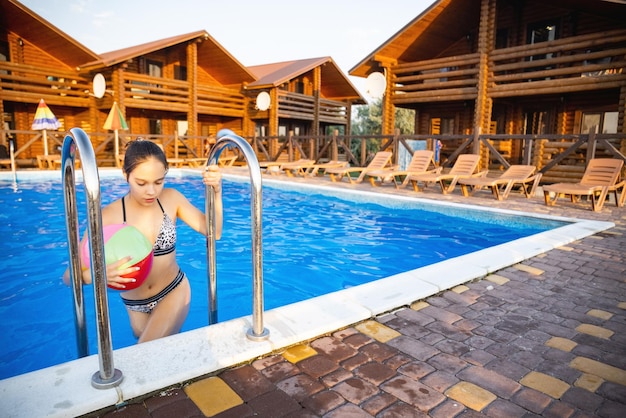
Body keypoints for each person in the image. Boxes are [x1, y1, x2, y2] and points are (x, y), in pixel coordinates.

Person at [64, 139, 223, 343]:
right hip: (135, 306)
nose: (151, 191)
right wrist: (97, 275)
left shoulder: (171, 199)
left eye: (159, 182)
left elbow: (214, 231)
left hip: (173, 290)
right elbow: (69, 276)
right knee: (158, 351)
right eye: (141, 183)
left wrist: (217, 193)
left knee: (145, 350)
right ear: (125, 175)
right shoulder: (107, 216)